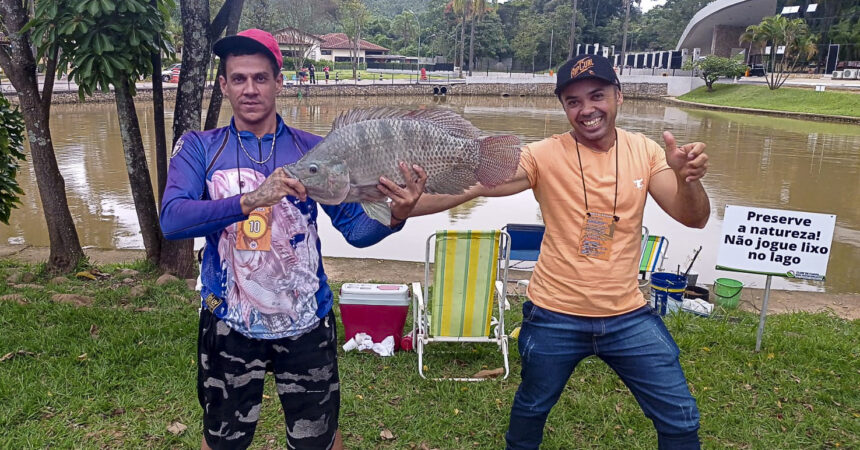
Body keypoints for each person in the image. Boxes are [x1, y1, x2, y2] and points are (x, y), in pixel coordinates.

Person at [409, 54, 710, 449]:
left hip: (627, 315)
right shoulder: (543, 154)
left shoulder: (647, 152)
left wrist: (687, 180)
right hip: (554, 315)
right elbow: (475, 185)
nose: (587, 110)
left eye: (597, 95)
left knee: (681, 419)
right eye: (573, 101)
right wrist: (404, 207)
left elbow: (694, 218)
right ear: (564, 108)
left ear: (618, 95)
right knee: (532, 408)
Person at [160, 29, 427, 450]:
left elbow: (356, 233)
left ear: (279, 82)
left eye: (261, 78)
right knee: (224, 440)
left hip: (305, 323)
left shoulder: (315, 150)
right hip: (229, 321)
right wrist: (250, 200)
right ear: (224, 84)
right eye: (239, 78)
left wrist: (396, 215)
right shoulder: (200, 148)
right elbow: (172, 220)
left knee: (317, 439)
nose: (250, 89)